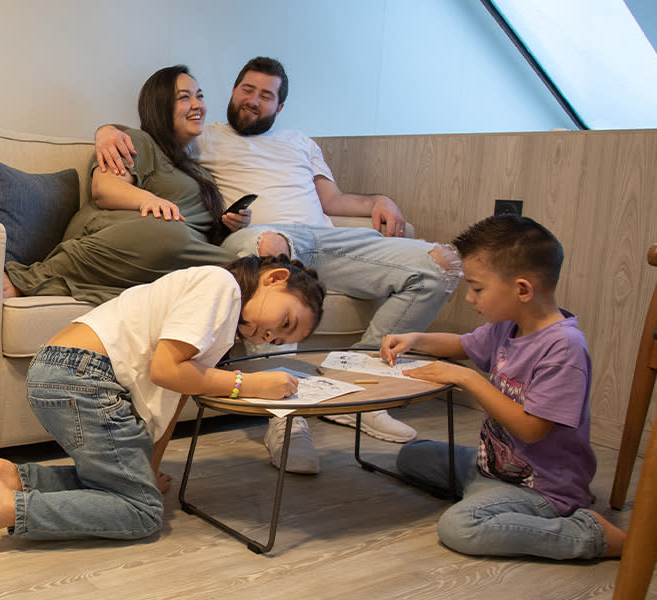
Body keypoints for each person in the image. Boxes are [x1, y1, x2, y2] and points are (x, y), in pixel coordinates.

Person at [96, 57, 462, 475]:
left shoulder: (302, 143)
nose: (253, 101)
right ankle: (286, 418)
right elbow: (150, 132)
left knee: (443, 263)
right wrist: (105, 131)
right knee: (268, 245)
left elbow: (336, 203)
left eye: (265, 95)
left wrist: (381, 201)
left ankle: (353, 385)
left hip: (322, 239)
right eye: (246, 90)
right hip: (261, 238)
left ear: (279, 106)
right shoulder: (204, 138)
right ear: (233, 91)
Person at [0, 255, 327, 564]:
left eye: (277, 339)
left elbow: (173, 394)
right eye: (285, 321)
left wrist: (149, 468)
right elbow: (166, 369)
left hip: (65, 371)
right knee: (142, 513)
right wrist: (246, 384)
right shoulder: (220, 286)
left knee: (130, 491)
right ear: (275, 278)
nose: (268, 336)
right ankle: (11, 507)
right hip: (84, 376)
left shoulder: (216, 310)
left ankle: (16, 480)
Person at [379, 214, 626, 560]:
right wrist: (416, 338)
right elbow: (461, 344)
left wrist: (467, 378)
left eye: (477, 288)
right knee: (410, 455)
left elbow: (533, 428)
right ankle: (487, 498)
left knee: (460, 527)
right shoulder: (507, 326)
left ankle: (590, 534)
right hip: (491, 466)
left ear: (522, 289)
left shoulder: (564, 348)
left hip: (541, 485)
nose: (470, 298)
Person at [2, 65, 247, 303]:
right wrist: (150, 200)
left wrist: (228, 225)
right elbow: (105, 189)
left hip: (174, 251)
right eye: (185, 97)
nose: (198, 105)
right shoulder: (140, 142)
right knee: (169, 234)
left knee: (238, 266)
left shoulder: (200, 172)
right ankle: (33, 278)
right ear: (160, 107)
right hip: (117, 236)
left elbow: (198, 233)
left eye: (200, 96)